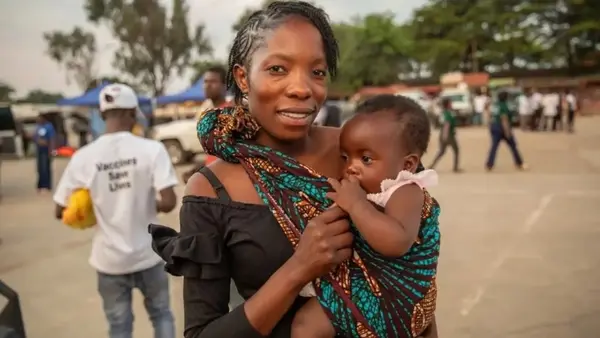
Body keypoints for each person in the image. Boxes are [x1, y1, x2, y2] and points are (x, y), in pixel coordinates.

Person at [149, 2, 438, 338]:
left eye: (317, 72)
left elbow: (416, 277)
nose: (302, 88)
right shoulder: (210, 190)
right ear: (243, 78)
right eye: (277, 69)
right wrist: (300, 268)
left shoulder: (359, 153)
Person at [290, 94, 440, 337]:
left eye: (366, 159)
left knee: (306, 326)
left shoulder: (406, 190)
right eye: (345, 157)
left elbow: (397, 242)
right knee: (305, 322)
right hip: (366, 286)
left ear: (408, 165)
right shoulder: (368, 190)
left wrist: (356, 205)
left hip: (390, 294)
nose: (351, 166)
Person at [53, 83, 178, 338]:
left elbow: (59, 209)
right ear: (133, 113)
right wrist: (140, 199)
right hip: (148, 254)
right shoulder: (151, 149)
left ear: (101, 115)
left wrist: (98, 203)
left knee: (119, 327)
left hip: (109, 261)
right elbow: (169, 201)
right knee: (161, 315)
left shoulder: (84, 157)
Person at [182, 66, 232, 183]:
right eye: (205, 82)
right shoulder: (209, 113)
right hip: (213, 178)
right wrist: (198, 169)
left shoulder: (232, 113)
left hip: (227, 181)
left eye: (213, 82)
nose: (207, 85)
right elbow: (213, 155)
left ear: (225, 86)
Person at [485, 91, 528, 171]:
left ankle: (489, 164)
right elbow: (504, 119)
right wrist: (507, 132)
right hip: (502, 128)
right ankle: (519, 163)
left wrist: (490, 126)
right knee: (513, 146)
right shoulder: (504, 106)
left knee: (494, 147)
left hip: (494, 126)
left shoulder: (495, 106)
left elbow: (489, 115)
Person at [429, 97, 461, 172]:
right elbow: (447, 124)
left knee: (441, 151)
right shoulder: (448, 113)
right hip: (449, 134)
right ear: (448, 104)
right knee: (456, 150)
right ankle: (455, 168)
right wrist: (445, 135)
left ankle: (432, 165)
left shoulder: (444, 113)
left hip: (443, 133)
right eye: (450, 103)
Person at [34, 114, 55, 194]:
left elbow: (52, 138)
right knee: (39, 168)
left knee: (45, 167)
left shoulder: (49, 126)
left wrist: (52, 150)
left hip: (46, 149)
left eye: (39, 119)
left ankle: (46, 186)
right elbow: (35, 136)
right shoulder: (38, 126)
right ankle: (40, 185)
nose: (38, 120)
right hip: (39, 149)